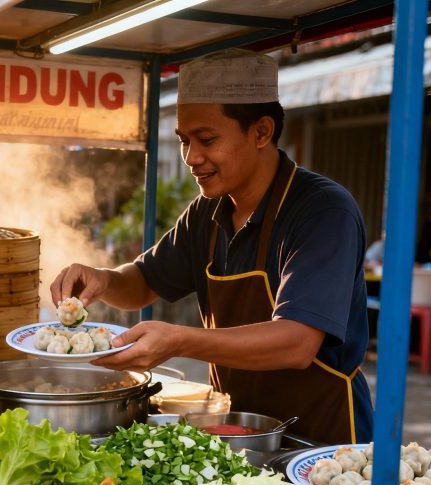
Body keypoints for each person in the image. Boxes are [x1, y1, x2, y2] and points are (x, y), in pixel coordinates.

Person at [52, 49, 373, 444]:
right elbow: (144, 281)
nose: (191, 157)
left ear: (261, 132)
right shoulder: (206, 214)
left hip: (323, 440)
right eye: (184, 140)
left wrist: (180, 340)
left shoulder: (322, 211)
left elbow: (297, 342)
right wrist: (103, 278)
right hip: (243, 431)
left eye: (206, 139)